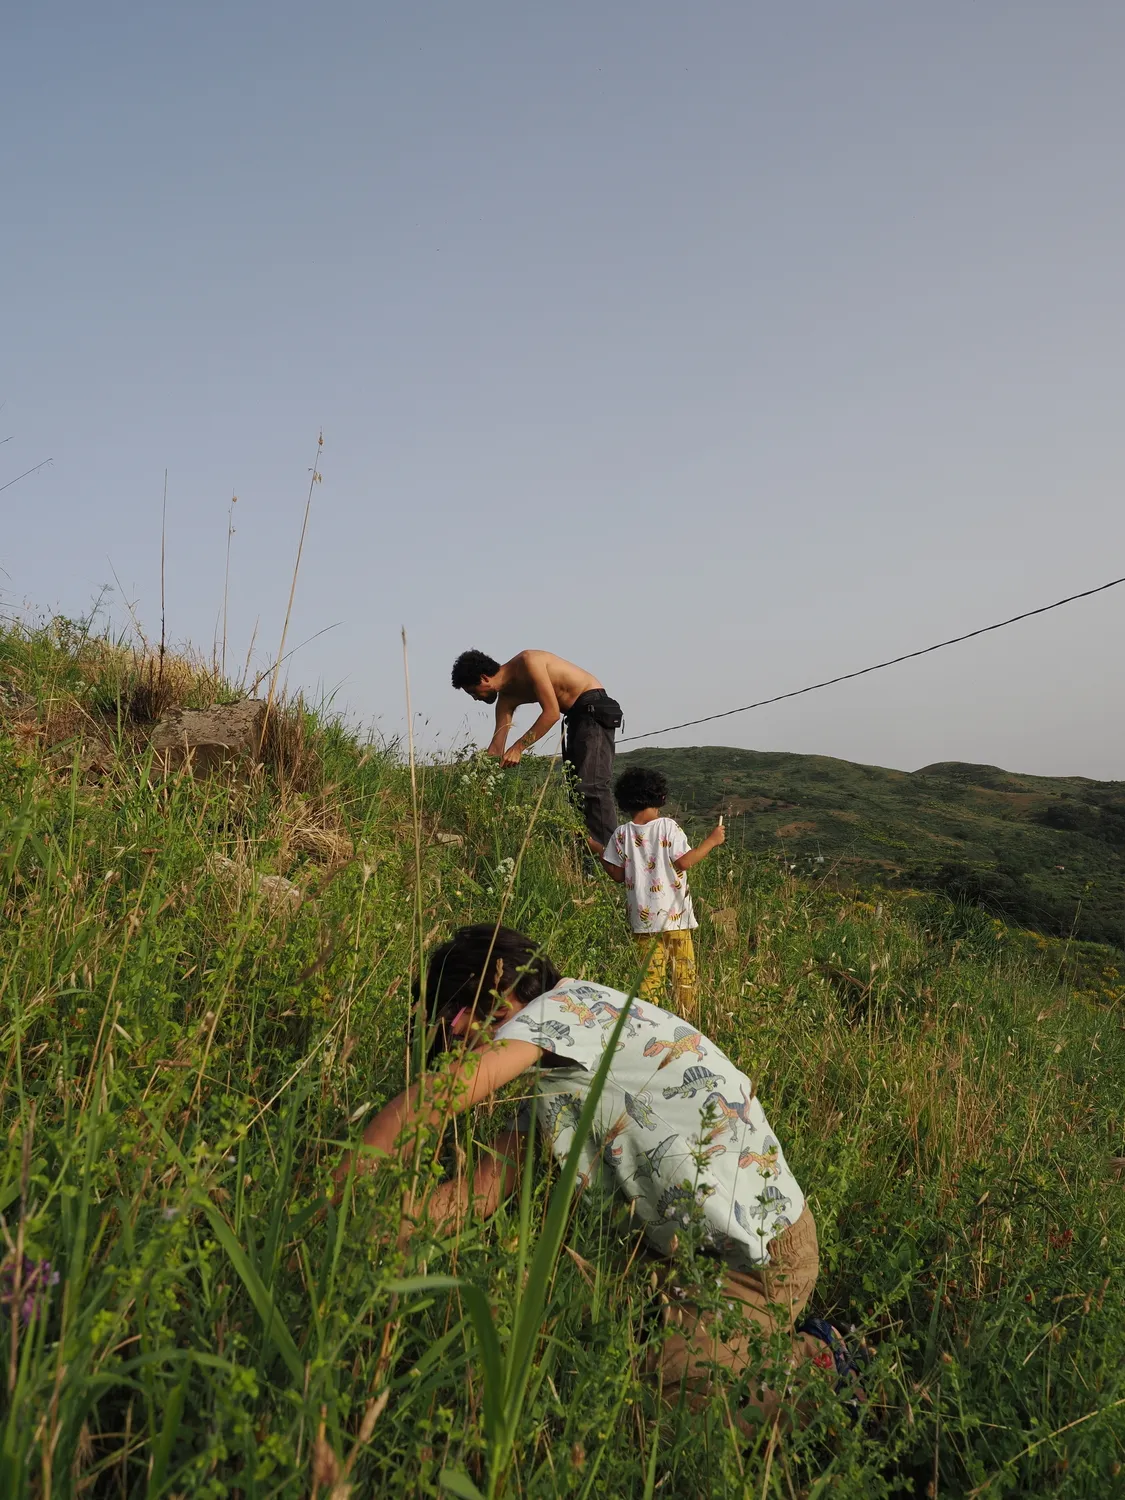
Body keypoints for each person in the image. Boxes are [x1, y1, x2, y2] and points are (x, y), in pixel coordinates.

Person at [335, 924, 860, 1429]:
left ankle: (822, 1364)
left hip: (763, 1259)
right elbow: (478, 1194)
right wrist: (366, 1234)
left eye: (451, 1021)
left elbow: (444, 1094)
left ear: (485, 1002)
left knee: (669, 1411)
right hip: (691, 1257)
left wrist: (342, 1186)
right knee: (603, 1349)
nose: (454, 1043)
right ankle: (739, 1345)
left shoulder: (565, 1011)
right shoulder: (557, 1076)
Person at [450, 649, 623, 853]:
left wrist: (518, 748)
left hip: (593, 708)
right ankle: (592, 856)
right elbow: (496, 747)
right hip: (577, 718)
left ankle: (616, 855)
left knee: (591, 786)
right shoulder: (506, 699)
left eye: (473, 692)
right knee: (577, 791)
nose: (475, 698)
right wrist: (480, 781)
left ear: (484, 678)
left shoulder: (529, 662)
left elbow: (551, 713)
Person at [601, 766, 725, 1024]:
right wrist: (712, 841)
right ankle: (688, 1020)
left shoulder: (621, 833)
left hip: (643, 922)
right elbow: (684, 862)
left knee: (649, 979)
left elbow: (617, 875)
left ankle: (648, 1023)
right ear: (659, 797)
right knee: (684, 975)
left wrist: (597, 849)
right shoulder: (668, 826)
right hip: (676, 918)